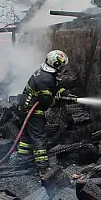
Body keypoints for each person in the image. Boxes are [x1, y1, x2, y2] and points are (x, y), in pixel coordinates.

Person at [16, 50, 76, 178]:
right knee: (39, 137)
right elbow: (46, 101)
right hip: (32, 110)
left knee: (27, 134)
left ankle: (22, 159)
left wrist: (66, 94)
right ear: (56, 65)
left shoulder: (46, 73)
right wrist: (60, 101)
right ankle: (43, 168)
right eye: (62, 66)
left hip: (25, 107)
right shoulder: (45, 79)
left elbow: (56, 87)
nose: (63, 68)